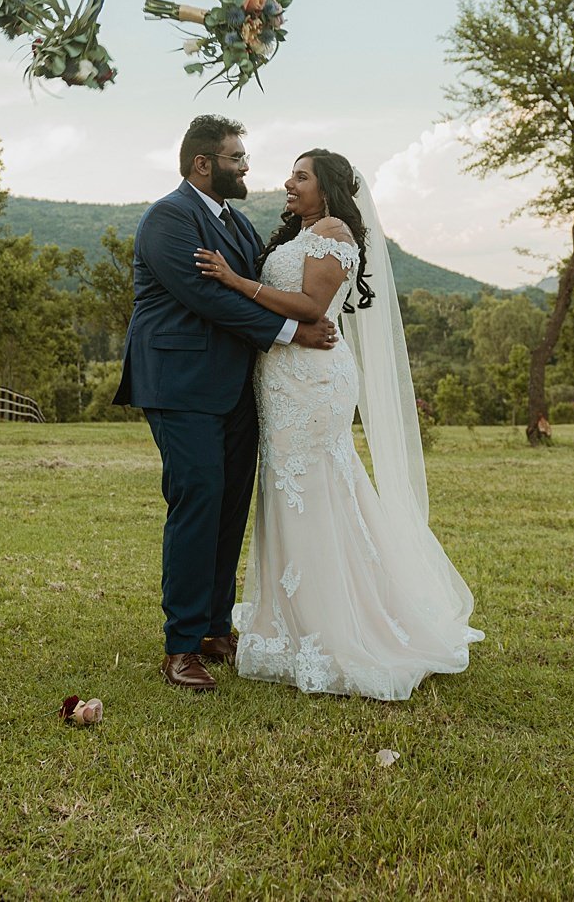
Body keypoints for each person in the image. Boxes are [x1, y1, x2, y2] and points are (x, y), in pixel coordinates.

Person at [195, 149, 481, 699]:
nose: (288, 183)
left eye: (300, 176)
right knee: (285, 491)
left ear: (327, 187)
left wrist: (234, 280)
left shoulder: (336, 232)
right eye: (291, 174)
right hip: (279, 380)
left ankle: (338, 628)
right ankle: (291, 622)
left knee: (317, 490)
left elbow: (309, 306)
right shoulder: (295, 235)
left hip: (313, 381)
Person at [114, 116, 338, 691]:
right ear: (202, 165)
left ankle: (215, 628)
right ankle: (181, 645)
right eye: (237, 158)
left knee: (230, 504)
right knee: (198, 501)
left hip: (239, 385)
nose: (246, 166)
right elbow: (208, 297)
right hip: (181, 383)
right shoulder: (167, 219)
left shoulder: (235, 223)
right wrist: (292, 334)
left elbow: (258, 285)